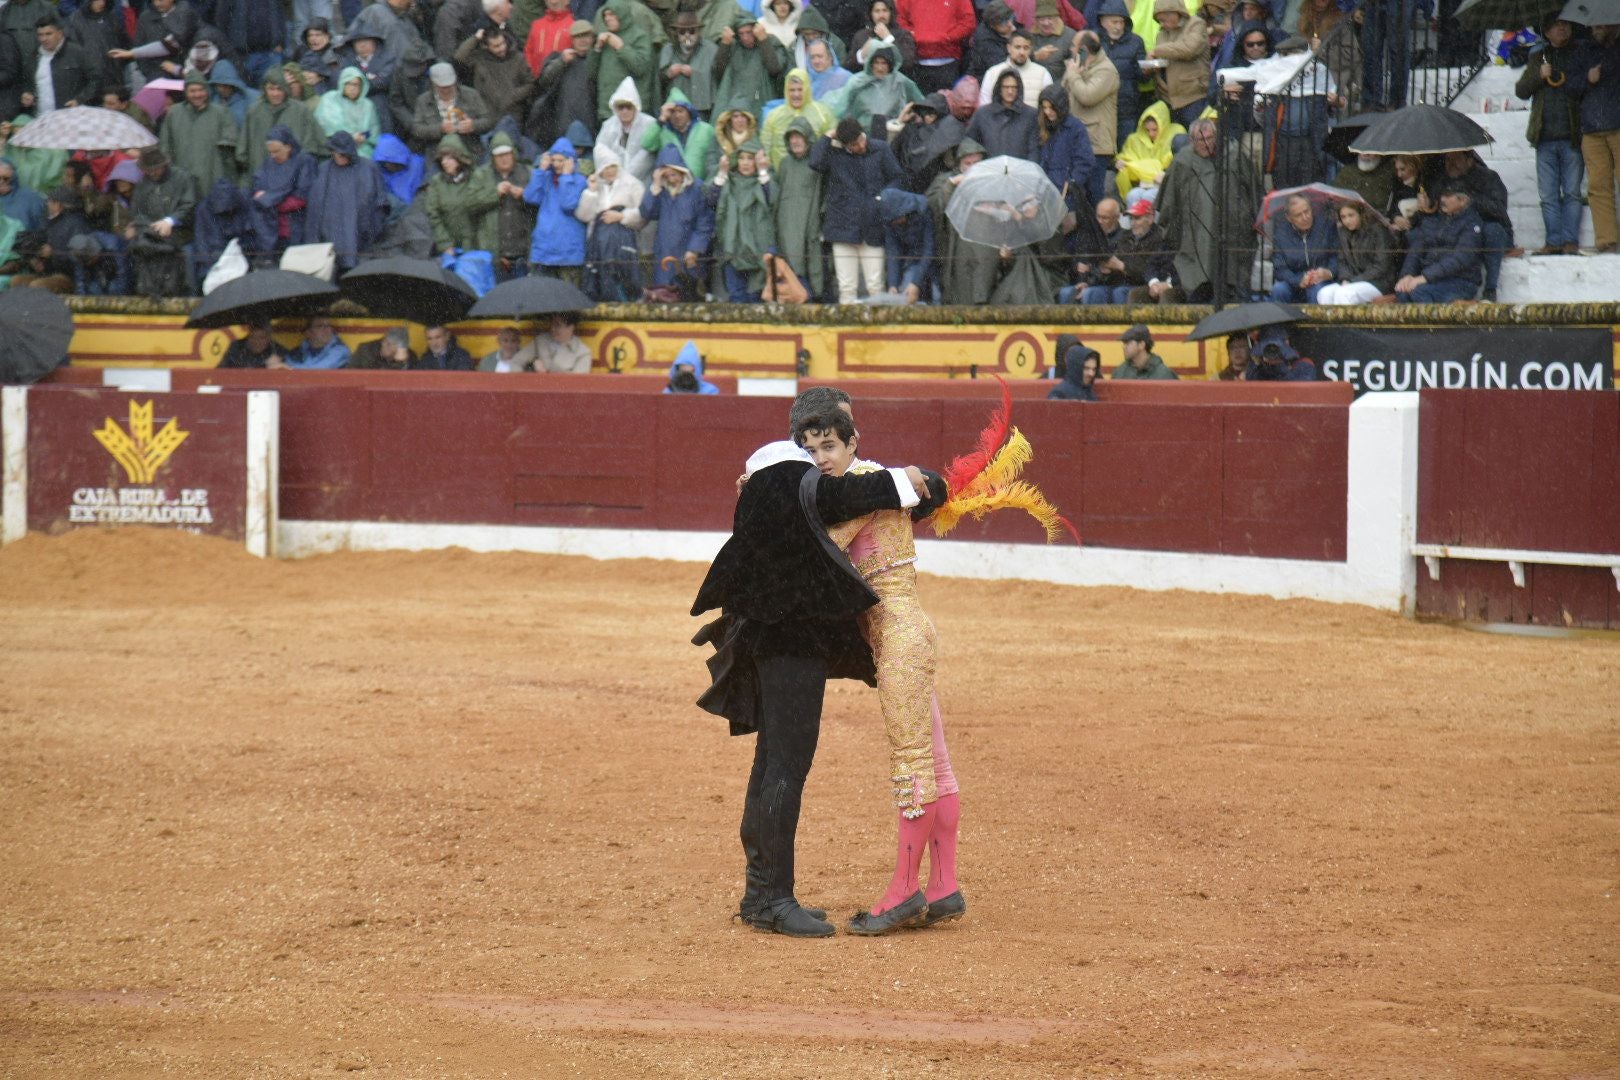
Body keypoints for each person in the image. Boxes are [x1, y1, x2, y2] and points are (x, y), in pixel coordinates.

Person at [690, 385, 940, 936]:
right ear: (803, 439)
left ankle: (762, 892)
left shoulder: (772, 476)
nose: (831, 456)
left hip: (776, 634)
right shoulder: (786, 474)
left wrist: (921, 484)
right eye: (823, 441)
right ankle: (771, 899)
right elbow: (846, 498)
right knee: (785, 764)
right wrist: (909, 479)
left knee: (772, 762)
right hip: (789, 638)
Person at [792, 406, 962, 934]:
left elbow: (817, 548)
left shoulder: (866, 486)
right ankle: (944, 886)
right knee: (935, 762)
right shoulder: (882, 482)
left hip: (898, 637)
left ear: (853, 443)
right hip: (907, 627)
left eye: (829, 448)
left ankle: (903, 892)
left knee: (913, 765)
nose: (821, 460)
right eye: (811, 451)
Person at [1157, 117, 1256, 304]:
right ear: (1191, 141)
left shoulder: (1234, 156)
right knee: (1198, 290)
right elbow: (1169, 206)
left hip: (1232, 232)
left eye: (1209, 138)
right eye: (1200, 140)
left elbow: (1253, 191)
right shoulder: (1182, 162)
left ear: (1217, 137)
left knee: (1232, 288)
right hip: (1194, 236)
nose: (1206, 144)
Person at [812, 116, 901, 303]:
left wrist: (881, 199)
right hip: (842, 227)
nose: (860, 146)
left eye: (860, 139)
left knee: (875, 285)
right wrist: (828, 136)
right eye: (853, 144)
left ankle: (880, 330)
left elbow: (896, 178)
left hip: (873, 225)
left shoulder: (881, 148)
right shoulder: (834, 153)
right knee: (846, 288)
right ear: (844, 144)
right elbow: (815, 163)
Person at [1516, 18, 1584, 256]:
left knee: (1573, 193)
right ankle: (1553, 241)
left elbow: (1583, 86)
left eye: (1566, 24)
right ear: (1546, 31)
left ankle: (1570, 241)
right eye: (1556, 25)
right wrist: (1539, 76)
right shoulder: (1538, 57)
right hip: (1544, 137)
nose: (1562, 28)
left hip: (1571, 135)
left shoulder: (1578, 53)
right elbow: (1521, 90)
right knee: (1548, 195)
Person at [305, 131, 392, 273]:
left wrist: (372, 228)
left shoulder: (369, 168)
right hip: (328, 235)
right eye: (336, 152)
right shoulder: (324, 170)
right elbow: (315, 206)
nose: (339, 157)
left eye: (343, 154)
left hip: (361, 235)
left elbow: (381, 203)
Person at [1438, 149, 1513, 301]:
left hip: (1490, 231)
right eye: (1448, 160)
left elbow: (1499, 211)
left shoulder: (1489, 177)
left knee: (1492, 230)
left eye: (1456, 160)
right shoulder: (1444, 181)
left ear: (1469, 161)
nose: (1451, 165)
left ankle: (1491, 288)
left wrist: (1470, 199)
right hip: (1461, 231)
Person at [1395, 180, 1485, 304]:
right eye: (1442, 195)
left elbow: (1460, 259)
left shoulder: (1472, 224)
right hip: (1432, 279)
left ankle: (1434, 323)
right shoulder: (1434, 220)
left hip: (1461, 281)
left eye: (1448, 196)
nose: (1442, 199)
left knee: (1419, 292)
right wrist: (1407, 276)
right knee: (1402, 292)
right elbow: (1416, 250)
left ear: (1463, 201)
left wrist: (1425, 277)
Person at [1572, 22, 1620, 253]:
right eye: (1593, 27)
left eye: (1600, 26)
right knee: (1598, 186)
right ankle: (1606, 240)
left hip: (1618, 125)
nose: (1595, 30)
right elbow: (1570, 87)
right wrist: (1587, 79)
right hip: (1591, 128)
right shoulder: (1584, 52)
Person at [641, 143, 715, 289]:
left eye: (673, 174)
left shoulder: (697, 189)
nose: (671, 179)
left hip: (688, 255)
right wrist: (655, 186)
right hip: (664, 254)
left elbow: (704, 223)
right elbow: (647, 213)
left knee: (688, 295)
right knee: (664, 295)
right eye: (666, 176)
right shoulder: (660, 190)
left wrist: (694, 249)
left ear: (682, 172)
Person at [126, 146, 197, 298]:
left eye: (155, 169)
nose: (152, 173)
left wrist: (171, 221)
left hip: (181, 235)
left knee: (188, 259)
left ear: (164, 165)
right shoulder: (143, 184)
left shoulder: (182, 178)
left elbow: (189, 205)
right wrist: (150, 227)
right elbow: (137, 212)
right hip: (152, 236)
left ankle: (190, 298)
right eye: (148, 170)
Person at [577, 145, 646, 301]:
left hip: (624, 242)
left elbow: (643, 215)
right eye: (605, 168)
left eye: (612, 167)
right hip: (598, 244)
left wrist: (621, 216)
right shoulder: (595, 185)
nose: (609, 171)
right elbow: (584, 215)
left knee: (624, 278)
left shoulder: (632, 184)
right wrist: (591, 192)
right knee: (599, 279)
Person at [710, 138, 775, 303]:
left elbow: (773, 200)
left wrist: (762, 171)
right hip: (732, 251)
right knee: (736, 297)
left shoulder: (765, 181)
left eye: (750, 158)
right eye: (742, 158)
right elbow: (712, 201)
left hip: (758, 251)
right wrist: (722, 173)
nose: (745, 163)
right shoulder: (728, 182)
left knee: (757, 298)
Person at [773, 116, 829, 299]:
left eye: (799, 136)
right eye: (792, 137)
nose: (795, 141)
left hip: (812, 226)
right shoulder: (784, 165)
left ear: (808, 138)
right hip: (787, 229)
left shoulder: (817, 163)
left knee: (815, 270)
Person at [1063, 30, 1119, 207]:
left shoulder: (1107, 70)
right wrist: (1072, 73)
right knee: (1078, 196)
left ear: (1084, 50)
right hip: (1078, 141)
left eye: (1074, 46)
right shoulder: (1079, 67)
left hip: (1097, 144)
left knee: (1094, 195)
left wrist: (1073, 75)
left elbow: (1087, 96)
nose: (1070, 49)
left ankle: (1099, 233)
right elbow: (1063, 93)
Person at [160, 73, 241, 193]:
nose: (197, 95)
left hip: (213, 175)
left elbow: (231, 140)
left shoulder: (221, 112)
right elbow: (165, 146)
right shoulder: (174, 113)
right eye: (192, 91)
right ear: (186, 92)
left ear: (207, 91)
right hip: (183, 176)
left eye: (201, 90)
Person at [524, 136, 588, 282]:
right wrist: (540, 171)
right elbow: (530, 197)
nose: (557, 164)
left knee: (570, 297)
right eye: (554, 160)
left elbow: (568, 204)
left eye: (561, 160)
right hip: (545, 248)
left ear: (570, 161)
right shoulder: (545, 178)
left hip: (568, 251)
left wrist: (565, 177)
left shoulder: (579, 181)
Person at [247, 124, 317, 256]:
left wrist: (269, 202)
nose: (273, 155)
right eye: (270, 152)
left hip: (295, 226)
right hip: (268, 227)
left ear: (288, 146)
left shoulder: (305, 162)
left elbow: (302, 197)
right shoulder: (268, 163)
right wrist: (268, 200)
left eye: (276, 151)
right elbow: (257, 189)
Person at [424, 134, 497, 255]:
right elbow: (433, 215)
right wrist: (445, 244)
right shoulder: (437, 182)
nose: (444, 162)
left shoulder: (476, 177)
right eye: (442, 158)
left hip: (477, 246)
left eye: (449, 158)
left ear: (459, 158)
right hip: (450, 248)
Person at [480, 131, 537, 281]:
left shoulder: (528, 172)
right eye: (499, 155)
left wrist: (525, 195)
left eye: (507, 154)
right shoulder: (482, 175)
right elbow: (470, 203)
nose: (504, 159)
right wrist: (494, 194)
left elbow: (541, 202)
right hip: (496, 253)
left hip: (524, 252)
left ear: (513, 153)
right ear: (493, 158)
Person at [1315, 200, 1396, 304]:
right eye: (1343, 217)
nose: (1347, 220)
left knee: (1345, 293)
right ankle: (1332, 320)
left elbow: (1381, 266)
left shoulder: (1378, 230)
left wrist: (1353, 281)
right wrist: (1345, 278)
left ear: (1360, 214)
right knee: (1324, 293)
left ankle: (1345, 320)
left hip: (1379, 282)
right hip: (1353, 281)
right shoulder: (1343, 233)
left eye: (1351, 215)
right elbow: (1342, 261)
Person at [826, 41, 923, 127]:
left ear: (890, 64)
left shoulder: (900, 81)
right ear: (870, 63)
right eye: (876, 63)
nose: (880, 68)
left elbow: (921, 102)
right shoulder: (857, 82)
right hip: (861, 136)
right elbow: (841, 109)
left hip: (892, 133)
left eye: (884, 63)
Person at [588, 0, 655, 124]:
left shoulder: (640, 36)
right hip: (607, 109)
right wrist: (596, 48)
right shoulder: (604, 38)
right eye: (605, 15)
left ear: (622, 14)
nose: (607, 18)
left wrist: (621, 48)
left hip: (631, 109)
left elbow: (641, 68)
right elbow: (591, 73)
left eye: (611, 14)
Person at [1148, 0, 1209, 130]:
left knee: (1196, 136)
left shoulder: (1196, 24)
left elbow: (1188, 49)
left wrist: (1157, 51)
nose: (1162, 24)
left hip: (1193, 96)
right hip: (1167, 99)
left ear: (1175, 13)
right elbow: (1162, 58)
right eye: (1159, 21)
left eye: (1164, 20)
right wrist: (1150, 64)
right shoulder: (1161, 34)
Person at [761, 67, 837, 169]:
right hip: (781, 178)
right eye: (792, 90)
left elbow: (833, 145)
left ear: (807, 89)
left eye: (800, 89)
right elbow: (765, 149)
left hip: (814, 177)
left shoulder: (823, 114)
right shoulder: (773, 116)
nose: (796, 94)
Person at [714, 15, 789, 118]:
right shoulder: (734, 46)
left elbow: (775, 69)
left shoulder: (770, 41)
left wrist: (763, 41)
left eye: (749, 32)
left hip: (762, 100)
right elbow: (718, 73)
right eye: (741, 33)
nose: (745, 37)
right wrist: (724, 45)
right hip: (736, 105)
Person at [896, 0, 977, 94]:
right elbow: (900, 19)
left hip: (948, 64)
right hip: (916, 64)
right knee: (920, 106)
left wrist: (948, 37)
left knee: (947, 105)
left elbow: (968, 22)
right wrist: (913, 36)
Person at [1269, 193, 1337, 303]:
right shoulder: (1281, 235)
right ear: (1289, 218)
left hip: (1321, 281)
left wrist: (1329, 272)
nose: (1305, 217)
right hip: (1294, 283)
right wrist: (1298, 280)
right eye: (1298, 215)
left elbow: (1336, 256)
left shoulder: (1326, 226)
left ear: (1311, 209)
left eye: (1307, 211)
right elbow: (1279, 268)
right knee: (1279, 289)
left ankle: (1314, 321)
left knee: (1317, 291)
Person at [1096, 0, 1145, 153]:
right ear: (1103, 21)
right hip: (1099, 106)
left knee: (1126, 149)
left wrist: (1147, 70)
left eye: (1122, 22)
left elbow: (1143, 78)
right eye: (1114, 22)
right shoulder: (1094, 40)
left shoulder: (1136, 42)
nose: (1118, 26)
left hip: (1126, 106)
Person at [643, 86, 718, 183]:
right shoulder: (662, 131)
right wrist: (661, 119)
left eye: (681, 111)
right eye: (672, 112)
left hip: (700, 187)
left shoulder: (706, 130)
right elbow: (646, 144)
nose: (677, 115)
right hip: (671, 186)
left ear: (689, 112)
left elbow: (715, 158)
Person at [965, 68, 1039, 160]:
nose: (1010, 91)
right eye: (1006, 87)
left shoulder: (1030, 115)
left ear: (1019, 89)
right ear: (999, 88)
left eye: (1014, 87)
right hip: (989, 170)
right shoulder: (982, 114)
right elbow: (970, 145)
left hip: (1020, 171)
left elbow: (1033, 150)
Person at [595, 77, 658, 185]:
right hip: (612, 181)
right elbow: (600, 150)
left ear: (635, 107)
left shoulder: (649, 124)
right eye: (621, 107)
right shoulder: (608, 126)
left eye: (628, 107)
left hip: (642, 181)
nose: (625, 111)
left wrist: (624, 178)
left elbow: (645, 157)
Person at [1113, 99, 1181, 199]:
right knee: (1132, 196)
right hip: (1140, 183)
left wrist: (1140, 166)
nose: (1151, 134)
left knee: (1148, 196)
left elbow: (1171, 160)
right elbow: (1126, 156)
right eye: (1147, 130)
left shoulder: (1175, 133)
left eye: (1155, 129)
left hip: (1164, 183)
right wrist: (1120, 162)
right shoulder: (1134, 139)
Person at [658, 11, 720, 117]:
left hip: (701, 109)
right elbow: (658, 81)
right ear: (676, 34)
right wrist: (669, 73)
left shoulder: (711, 49)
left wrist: (694, 73)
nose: (687, 35)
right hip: (675, 109)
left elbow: (718, 78)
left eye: (691, 31)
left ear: (698, 32)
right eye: (682, 32)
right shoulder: (667, 50)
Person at [878, 185, 933, 302]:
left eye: (896, 219)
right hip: (911, 259)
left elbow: (929, 249)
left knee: (937, 296)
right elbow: (893, 252)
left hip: (935, 259)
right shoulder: (890, 221)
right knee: (905, 294)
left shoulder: (924, 210)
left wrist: (916, 283)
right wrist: (893, 284)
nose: (895, 223)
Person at [32, 16, 98, 114]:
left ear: (60, 33)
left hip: (70, 116)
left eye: (48, 34)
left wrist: (79, 100)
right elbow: (28, 82)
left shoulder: (76, 52)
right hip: (42, 118)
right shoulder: (35, 55)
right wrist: (28, 93)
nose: (44, 39)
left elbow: (96, 79)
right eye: (40, 35)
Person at [1115, 198, 1176, 302]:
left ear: (1150, 218)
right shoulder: (1124, 236)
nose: (1133, 223)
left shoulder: (1159, 238)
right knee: (1093, 292)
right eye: (1131, 219)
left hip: (1142, 283)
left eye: (1137, 218)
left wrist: (1123, 267)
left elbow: (1146, 269)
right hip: (1119, 281)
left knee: (1121, 292)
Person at [314, 67, 382, 158]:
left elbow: (373, 130)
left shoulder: (367, 105)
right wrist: (350, 136)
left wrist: (363, 136)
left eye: (356, 85)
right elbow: (327, 124)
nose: (352, 88)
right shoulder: (330, 99)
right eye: (348, 84)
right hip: (336, 149)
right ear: (342, 83)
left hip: (363, 150)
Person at [1248, 325, 1316, 380]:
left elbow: (1299, 390)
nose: (1273, 350)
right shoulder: (1258, 367)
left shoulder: (1304, 365)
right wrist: (1258, 364)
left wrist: (1279, 365)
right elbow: (1250, 389)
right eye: (1268, 346)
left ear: (1287, 342)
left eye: (1277, 345)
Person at [1112, 322, 1176, 378]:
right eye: (1124, 343)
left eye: (1128, 343)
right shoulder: (1119, 372)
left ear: (1141, 345)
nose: (1124, 347)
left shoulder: (1164, 374)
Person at [284, 317, 352, 369]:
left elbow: (319, 370)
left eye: (328, 326)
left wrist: (288, 369)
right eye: (320, 326)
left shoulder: (341, 350)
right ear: (308, 333)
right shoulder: (296, 353)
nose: (327, 330)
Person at [219, 320, 286, 369]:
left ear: (269, 338)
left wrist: (278, 366)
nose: (257, 341)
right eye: (252, 337)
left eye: (262, 337)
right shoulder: (236, 348)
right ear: (247, 337)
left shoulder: (278, 351)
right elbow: (220, 372)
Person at [351, 327, 419, 369]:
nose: (385, 345)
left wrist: (402, 363)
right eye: (384, 341)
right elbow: (349, 374)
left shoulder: (411, 357)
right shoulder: (365, 350)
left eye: (390, 344)